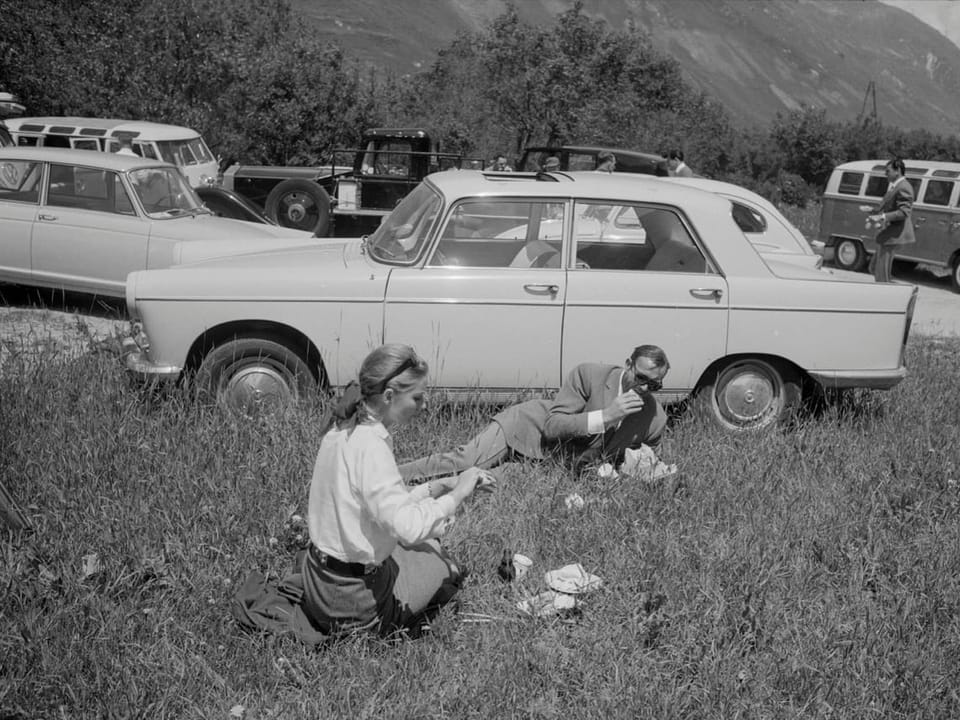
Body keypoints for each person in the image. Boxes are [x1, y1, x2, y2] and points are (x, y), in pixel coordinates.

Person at [301, 344, 494, 638]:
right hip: (351, 604)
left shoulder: (343, 428)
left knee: (421, 547)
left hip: (318, 581)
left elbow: (376, 509)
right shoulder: (371, 446)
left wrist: (438, 486)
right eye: (417, 397)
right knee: (439, 560)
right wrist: (459, 495)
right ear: (389, 396)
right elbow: (408, 528)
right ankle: (377, 616)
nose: (424, 404)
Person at [400, 345, 671, 482]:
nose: (645, 388)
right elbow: (554, 426)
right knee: (469, 460)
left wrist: (635, 469)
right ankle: (391, 475)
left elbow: (638, 460)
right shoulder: (590, 375)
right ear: (628, 365)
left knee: (479, 483)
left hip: (553, 465)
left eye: (654, 384)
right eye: (641, 377)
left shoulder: (655, 418)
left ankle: (414, 493)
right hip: (526, 428)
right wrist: (607, 415)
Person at [867, 158, 915, 283]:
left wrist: (883, 217)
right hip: (888, 234)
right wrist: (872, 210)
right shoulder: (896, 186)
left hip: (893, 235)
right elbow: (887, 206)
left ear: (897, 171)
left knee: (881, 275)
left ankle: (886, 297)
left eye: (888, 171)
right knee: (873, 268)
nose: (885, 174)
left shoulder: (904, 187)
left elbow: (904, 212)